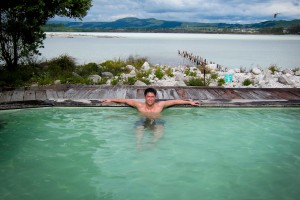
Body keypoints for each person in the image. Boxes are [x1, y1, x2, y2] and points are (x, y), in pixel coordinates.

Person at [101, 87, 200, 150]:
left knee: (160, 126)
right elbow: (126, 101)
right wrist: (111, 99)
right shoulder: (139, 105)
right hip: (142, 120)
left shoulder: (160, 105)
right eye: (148, 97)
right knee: (139, 126)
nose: (150, 99)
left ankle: (152, 143)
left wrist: (189, 102)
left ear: (155, 97)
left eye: (152, 97)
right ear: (145, 97)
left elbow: (174, 101)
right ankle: (139, 144)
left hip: (156, 120)